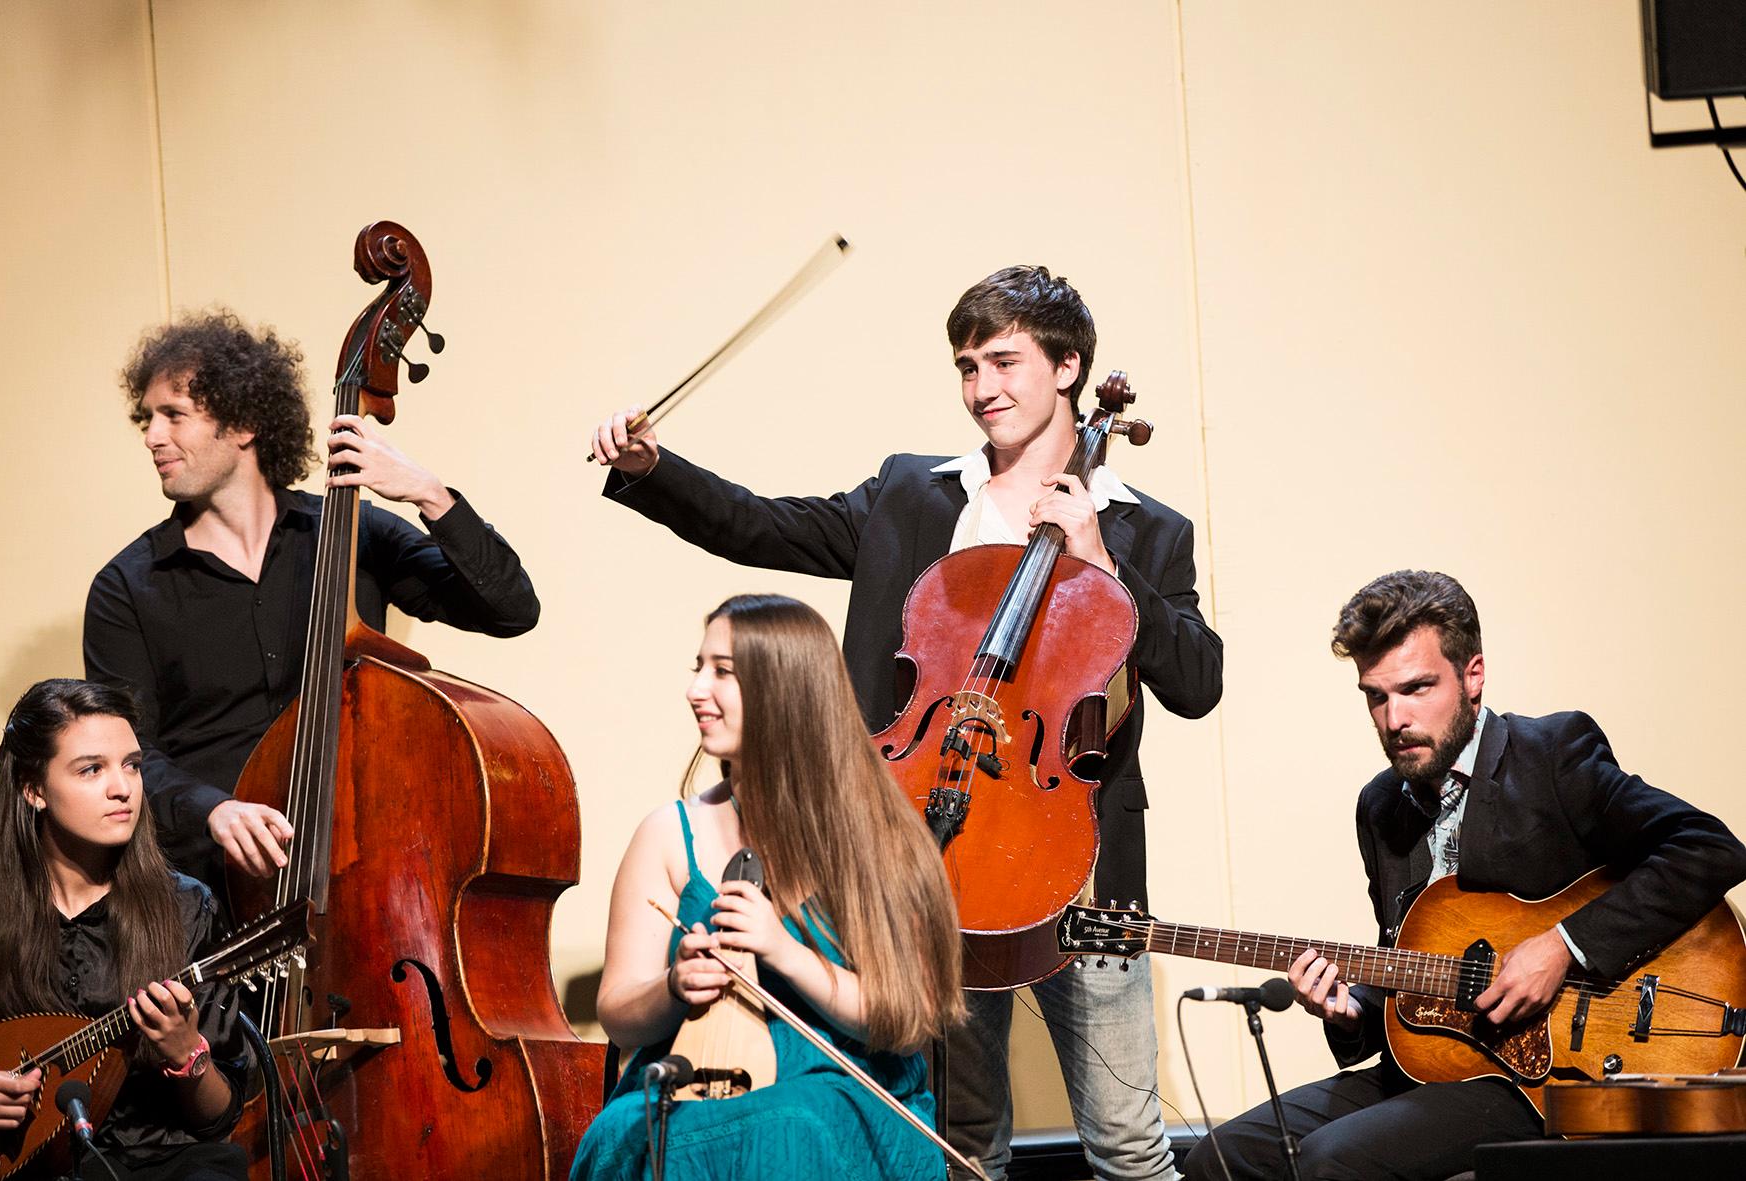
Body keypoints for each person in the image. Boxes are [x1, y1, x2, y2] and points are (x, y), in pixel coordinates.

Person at [591, 265, 1222, 1179]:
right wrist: (654, 471)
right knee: (962, 1142)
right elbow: (764, 526)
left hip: (1075, 866)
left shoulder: (1147, 530)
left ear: (1070, 367)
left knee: (1127, 1141)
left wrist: (1102, 563)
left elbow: (1198, 680)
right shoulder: (912, 494)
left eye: (1004, 362)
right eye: (967, 367)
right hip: (920, 861)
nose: (983, 389)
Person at [1188, 570, 1746, 1181]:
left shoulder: (1553, 754)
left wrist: (1563, 947)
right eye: (1375, 696)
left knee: (1331, 1163)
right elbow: (1409, 960)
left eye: (1416, 688)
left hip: (1544, 1076)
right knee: (1219, 1159)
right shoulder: (1380, 807)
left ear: (1472, 675)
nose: (1393, 718)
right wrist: (1350, 1011)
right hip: (1433, 1068)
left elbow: (1709, 848)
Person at [83, 310, 541, 895]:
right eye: (147, 418)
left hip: (366, 871)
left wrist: (431, 494)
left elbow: (510, 610)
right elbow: (130, 752)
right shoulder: (126, 587)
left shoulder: (353, 533)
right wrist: (213, 811)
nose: (152, 436)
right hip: (214, 894)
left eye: (173, 415)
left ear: (245, 423)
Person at [570, 594, 966, 1179]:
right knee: (620, 1130)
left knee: (789, 1125)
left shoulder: (882, 840)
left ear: (786, 691)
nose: (695, 690)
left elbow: (907, 1020)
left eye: (722, 672)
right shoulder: (668, 833)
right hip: (702, 1086)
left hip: (843, 1100)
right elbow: (619, 1014)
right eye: (698, 668)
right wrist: (675, 985)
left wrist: (782, 950)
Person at [0, 678, 250, 1180]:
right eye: (91, 769)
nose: (122, 786)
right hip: (24, 1167)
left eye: (132, 765)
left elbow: (220, 1116)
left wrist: (188, 1054)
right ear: (33, 790)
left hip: (167, 1166)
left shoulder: (187, 908)